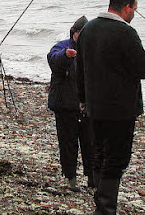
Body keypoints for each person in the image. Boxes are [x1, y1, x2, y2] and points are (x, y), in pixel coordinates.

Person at [77, 0, 145, 215]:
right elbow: (142, 68)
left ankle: (101, 202)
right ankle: (105, 209)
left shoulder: (88, 29)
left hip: (95, 106)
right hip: (120, 109)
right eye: (134, 9)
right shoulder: (126, 32)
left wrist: (82, 100)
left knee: (100, 154)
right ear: (126, 7)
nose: (134, 13)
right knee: (116, 159)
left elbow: (81, 69)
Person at [47, 16, 93, 192]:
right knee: (68, 144)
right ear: (74, 33)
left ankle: (92, 180)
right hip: (64, 105)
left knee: (90, 144)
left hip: (87, 106)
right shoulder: (63, 46)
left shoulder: (92, 49)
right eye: (81, 33)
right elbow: (52, 59)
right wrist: (66, 56)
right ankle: (71, 178)